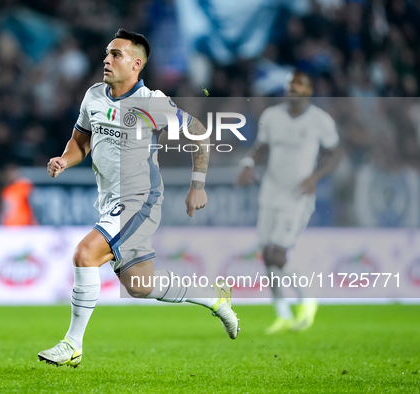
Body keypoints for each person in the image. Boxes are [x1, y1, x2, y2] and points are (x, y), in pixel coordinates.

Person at [38, 29, 239, 368]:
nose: (106, 59)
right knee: (140, 285)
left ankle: (72, 344)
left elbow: (200, 133)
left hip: (139, 199)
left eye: (116, 55)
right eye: (106, 53)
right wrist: (64, 159)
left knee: (85, 254)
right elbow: (81, 142)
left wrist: (198, 184)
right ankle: (215, 298)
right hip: (109, 200)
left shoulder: (152, 103)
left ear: (136, 64)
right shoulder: (93, 96)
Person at [237, 70, 341, 334]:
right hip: (270, 192)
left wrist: (315, 177)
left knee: (277, 253)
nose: (291, 91)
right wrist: (249, 163)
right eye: (289, 87)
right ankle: (282, 313)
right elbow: (262, 146)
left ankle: (307, 299)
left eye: (297, 87)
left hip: (298, 196)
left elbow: (334, 154)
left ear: (308, 91)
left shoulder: (320, 120)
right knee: (267, 256)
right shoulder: (272, 116)